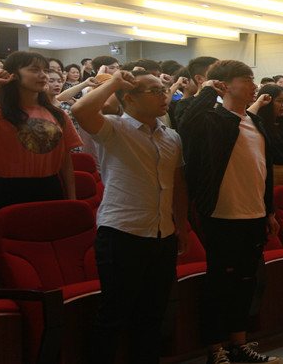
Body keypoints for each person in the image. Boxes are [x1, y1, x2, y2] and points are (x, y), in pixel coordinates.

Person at [71, 69, 190, 363]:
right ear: (130, 99)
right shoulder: (114, 128)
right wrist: (113, 82)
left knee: (152, 315)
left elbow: (177, 185)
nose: (164, 96)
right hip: (122, 233)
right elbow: (80, 110)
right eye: (155, 91)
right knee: (114, 315)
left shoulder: (171, 136)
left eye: (163, 90)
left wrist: (182, 226)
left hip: (162, 234)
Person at [177, 60, 279, 364]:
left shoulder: (254, 120)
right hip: (221, 213)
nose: (254, 86)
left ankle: (239, 344)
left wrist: (270, 211)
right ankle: (215, 349)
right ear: (224, 85)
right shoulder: (212, 119)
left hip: (254, 212)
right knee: (219, 285)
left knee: (247, 281)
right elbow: (186, 123)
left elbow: (265, 170)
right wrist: (209, 90)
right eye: (246, 80)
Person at [0, 51, 82, 210]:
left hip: (50, 186)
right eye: (34, 70)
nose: (44, 75)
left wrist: (72, 198)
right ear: (13, 74)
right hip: (7, 190)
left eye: (45, 70)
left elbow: (65, 161)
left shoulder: (58, 114)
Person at [251, 84, 283, 187]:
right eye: (279, 101)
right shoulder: (259, 126)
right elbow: (246, 119)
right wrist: (259, 103)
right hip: (269, 182)